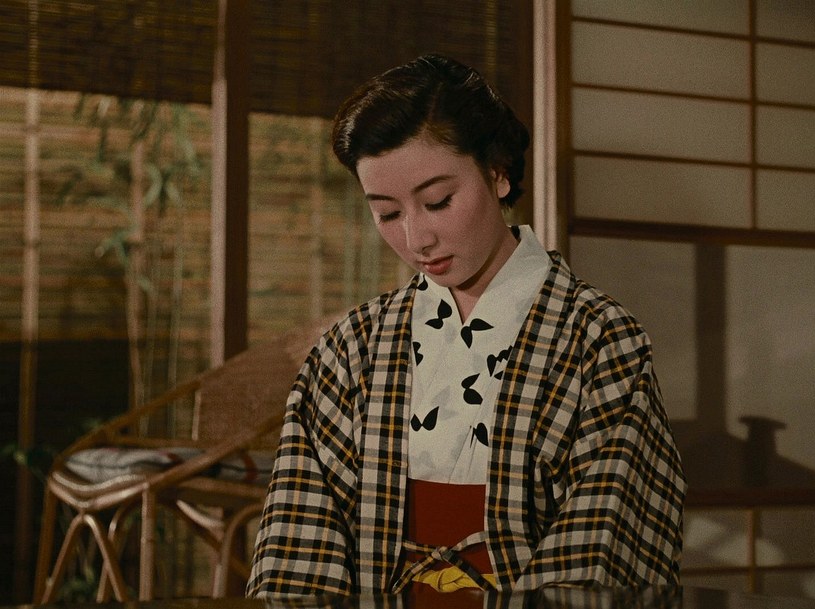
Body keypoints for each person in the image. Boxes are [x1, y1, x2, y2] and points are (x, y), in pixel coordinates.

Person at [246, 54, 686, 599]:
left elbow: (605, 537)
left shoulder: (598, 337)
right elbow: (300, 540)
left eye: (438, 201)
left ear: (497, 173)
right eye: (388, 213)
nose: (417, 239)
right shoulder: (351, 346)